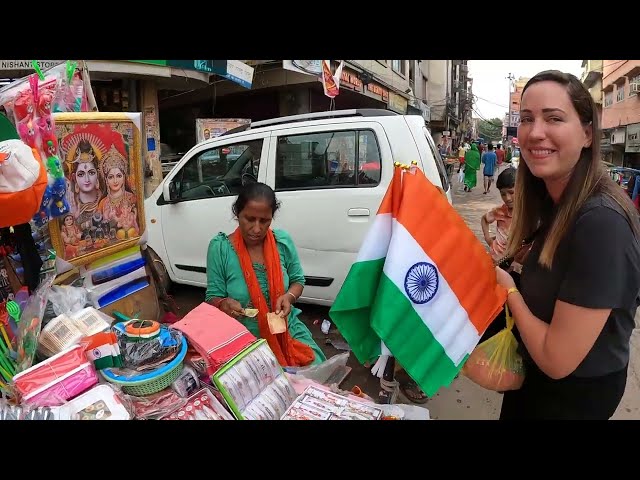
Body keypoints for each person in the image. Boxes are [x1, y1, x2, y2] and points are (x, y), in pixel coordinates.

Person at [495, 70, 640, 420]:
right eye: (527, 119)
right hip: (535, 384)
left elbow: (557, 360)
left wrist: (508, 291)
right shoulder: (551, 201)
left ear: (588, 134)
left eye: (554, 118)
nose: (535, 132)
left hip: (569, 399)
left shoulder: (601, 222)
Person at [205, 182, 326, 367]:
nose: (256, 229)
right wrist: (223, 303)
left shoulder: (282, 242)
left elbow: (297, 280)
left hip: (287, 329)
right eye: (249, 219)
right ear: (237, 214)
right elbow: (213, 296)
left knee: (314, 372)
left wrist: (289, 296)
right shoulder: (220, 248)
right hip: (244, 337)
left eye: (264, 221)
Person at [97, 144, 139, 239]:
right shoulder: (103, 203)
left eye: (119, 176)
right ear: (106, 180)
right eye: (111, 177)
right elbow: (101, 228)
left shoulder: (131, 198)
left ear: (124, 177)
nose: (115, 181)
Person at [65, 139, 104, 231]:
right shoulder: (71, 205)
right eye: (81, 174)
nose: (87, 179)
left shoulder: (105, 202)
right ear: (74, 177)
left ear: (97, 174)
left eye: (91, 173)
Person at [481, 167, 516, 262]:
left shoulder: (527, 215)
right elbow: (484, 219)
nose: (507, 198)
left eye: (511, 192)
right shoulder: (500, 211)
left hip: (515, 266)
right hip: (495, 261)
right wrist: (488, 239)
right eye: (503, 194)